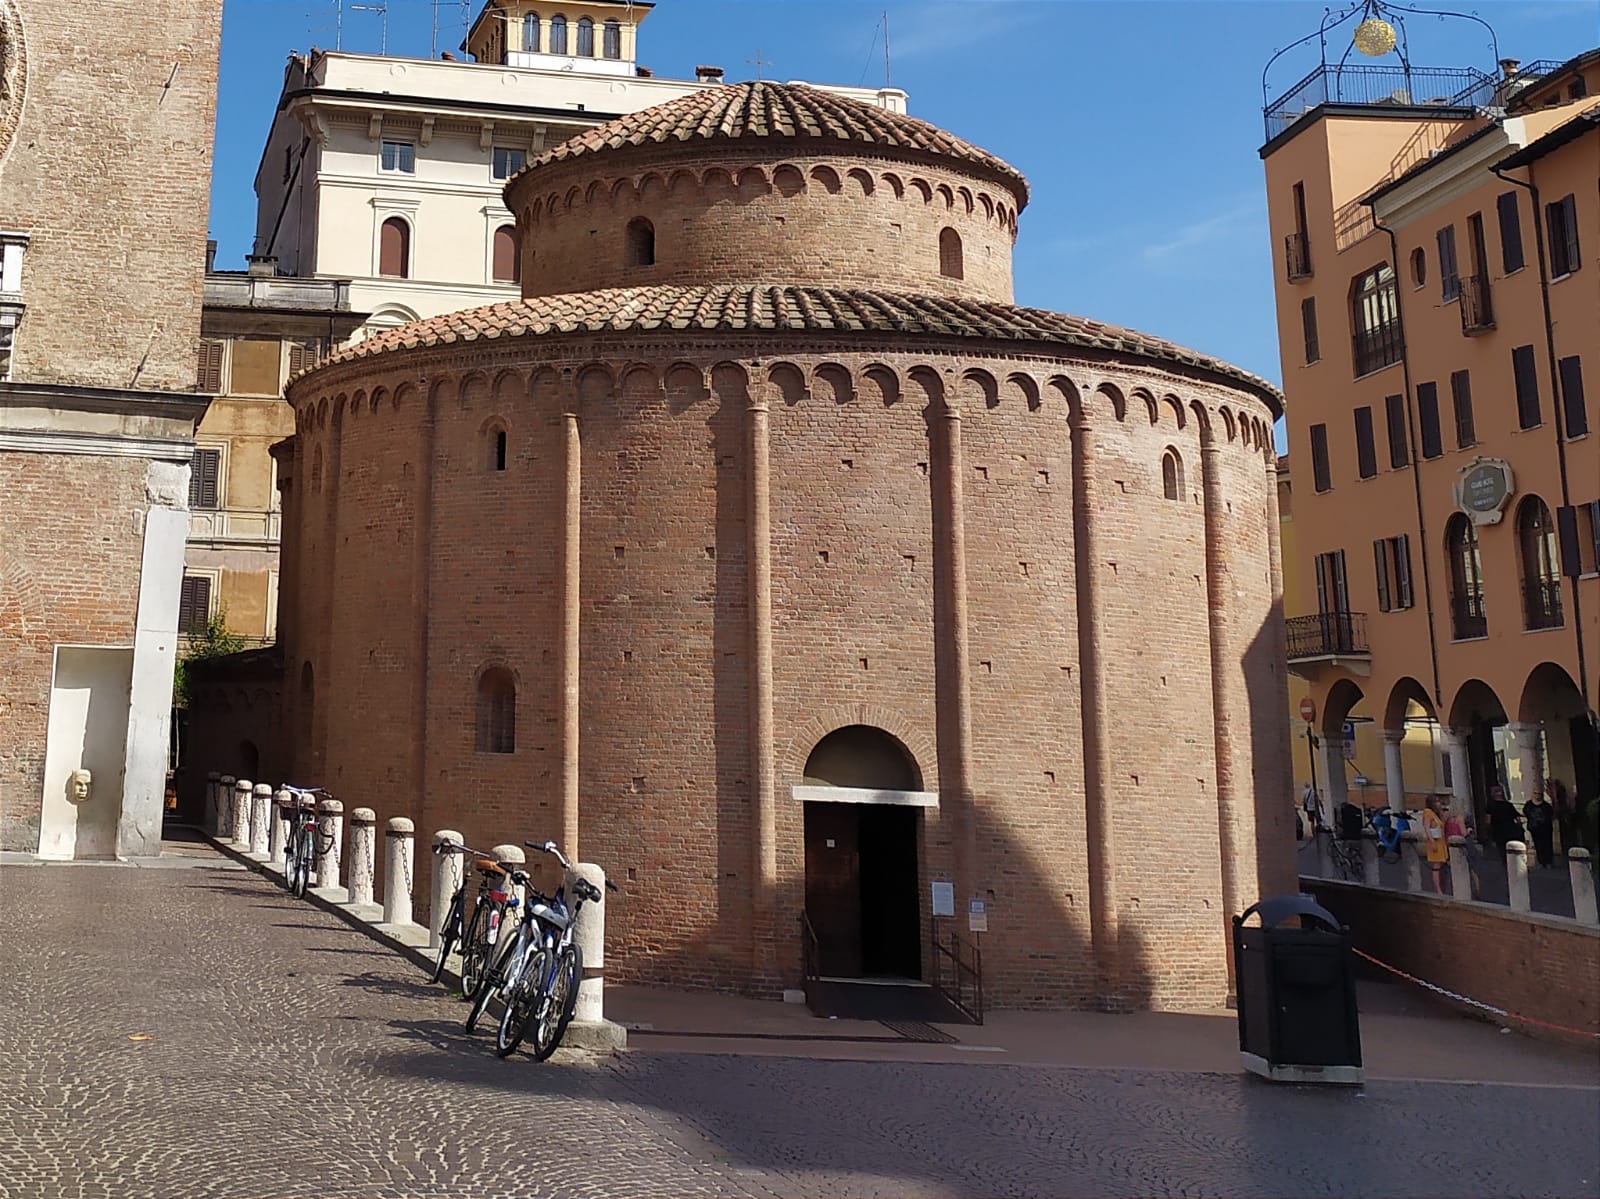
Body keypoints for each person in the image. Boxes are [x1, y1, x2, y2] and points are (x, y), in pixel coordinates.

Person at [1523, 784, 1556, 868]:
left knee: (1547, 845)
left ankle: (1548, 861)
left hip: (1546, 829)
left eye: (1539, 794)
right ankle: (1541, 862)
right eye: (1535, 793)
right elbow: (1525, 813)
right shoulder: (1529, 805)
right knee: (1538, 845)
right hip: (1534, 829)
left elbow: (1552, 815)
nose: (1537, 795)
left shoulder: (1546, 806)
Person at [1485, 785, 1523, 858]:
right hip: (1510, 830)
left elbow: (1488, 820)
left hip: (1498, 830)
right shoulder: (1508, 805)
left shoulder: (1490, 805)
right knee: (1512, 849)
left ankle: (1506, 864)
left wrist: (1488, 831)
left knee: (1502, 850)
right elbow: (1518, 819)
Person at [1420, 795, 1448, 892]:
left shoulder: (1436, 814)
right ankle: (1438, 889)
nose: (1439, 803)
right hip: (1435, 842)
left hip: (1441, 841)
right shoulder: (1428, 813)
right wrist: (1432, 841)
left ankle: (1442, 887)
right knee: (1436, 866)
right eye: (1436, 801)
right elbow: (1427, 828)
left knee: (1441, 865)